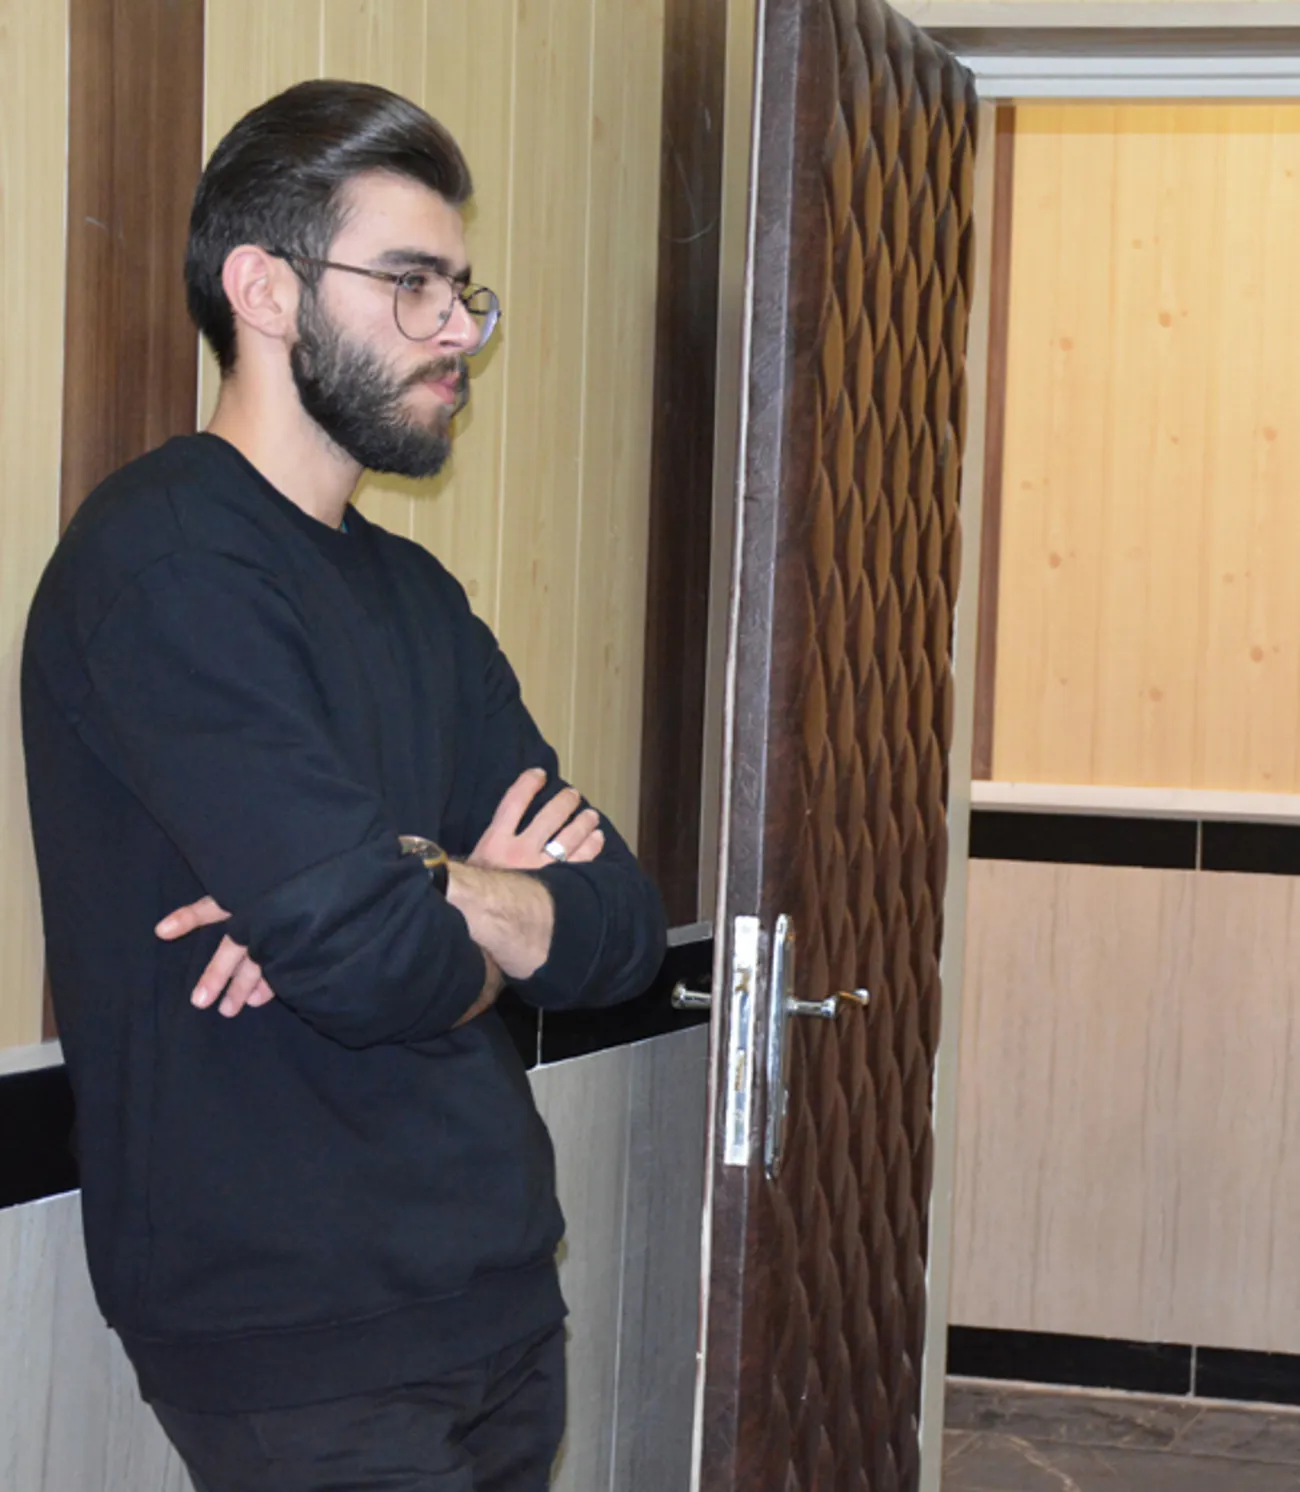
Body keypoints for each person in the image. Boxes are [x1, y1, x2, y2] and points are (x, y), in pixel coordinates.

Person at [21, 79, 666, 1492]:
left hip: (500, 1293)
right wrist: (460, 908)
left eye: (464, 293)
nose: (459, 331)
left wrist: (426, 880)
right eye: (411, 284)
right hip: (298, 1332)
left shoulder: (417, 595)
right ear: (264, 289)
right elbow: (369, 966)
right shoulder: (166, 566)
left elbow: (617, 929)